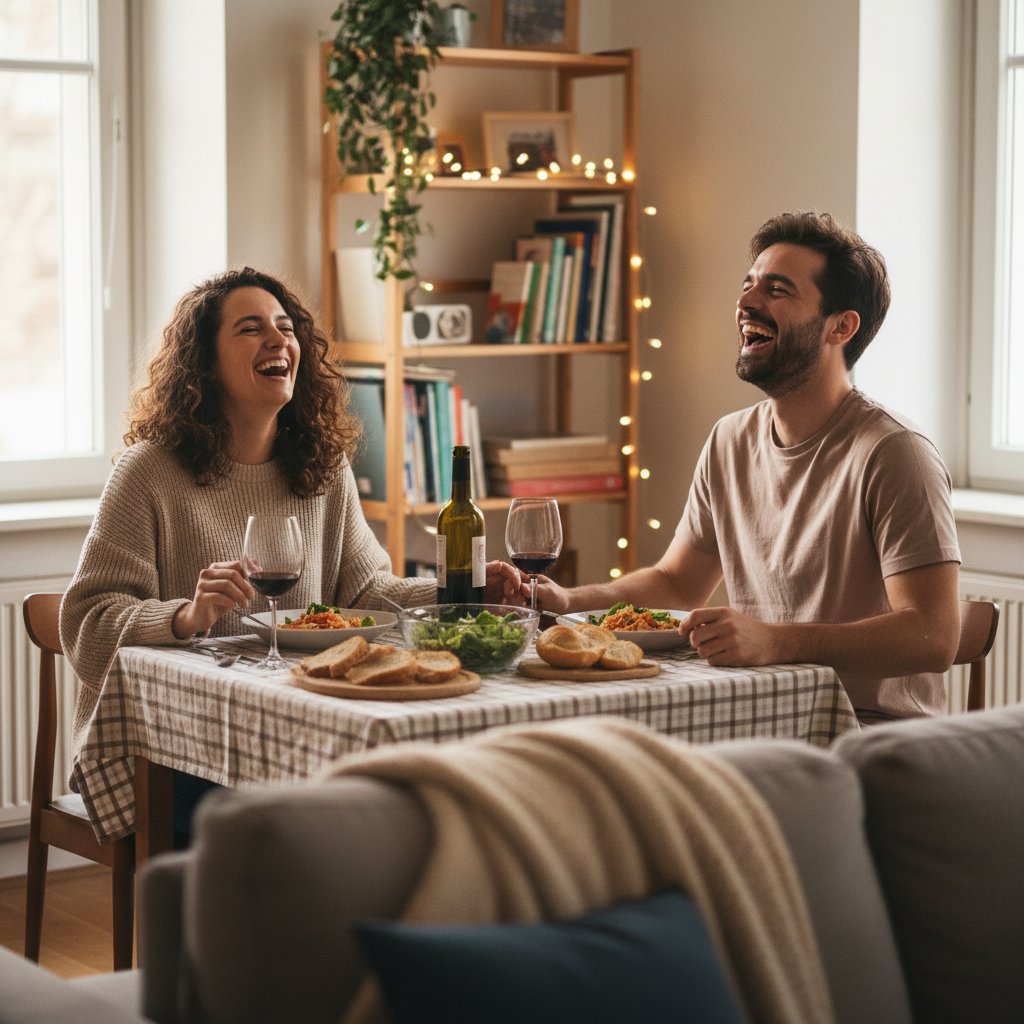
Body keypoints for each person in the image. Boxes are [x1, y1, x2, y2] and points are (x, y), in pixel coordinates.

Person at [60, 267, 511, 828]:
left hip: (298, 723)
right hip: (176, 749)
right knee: (325, 819)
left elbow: (366, 592)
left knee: (410, 793)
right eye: (251, 329)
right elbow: (86, 622)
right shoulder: (148, 472)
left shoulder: (323, 466)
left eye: (287, 328)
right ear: (205, 363)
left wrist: (462, 592)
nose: (278, 340)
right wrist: (185, 616)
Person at [511, 212, 961, 722]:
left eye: (777, 289)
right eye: (748, 285)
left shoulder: (895, 452)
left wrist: (776, 641)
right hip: (760, 716)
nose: (747, 302)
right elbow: (677, 583)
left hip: (870, 733)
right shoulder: (729, 440)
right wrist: (566, 601)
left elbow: (933, 636)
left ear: (841, 326)